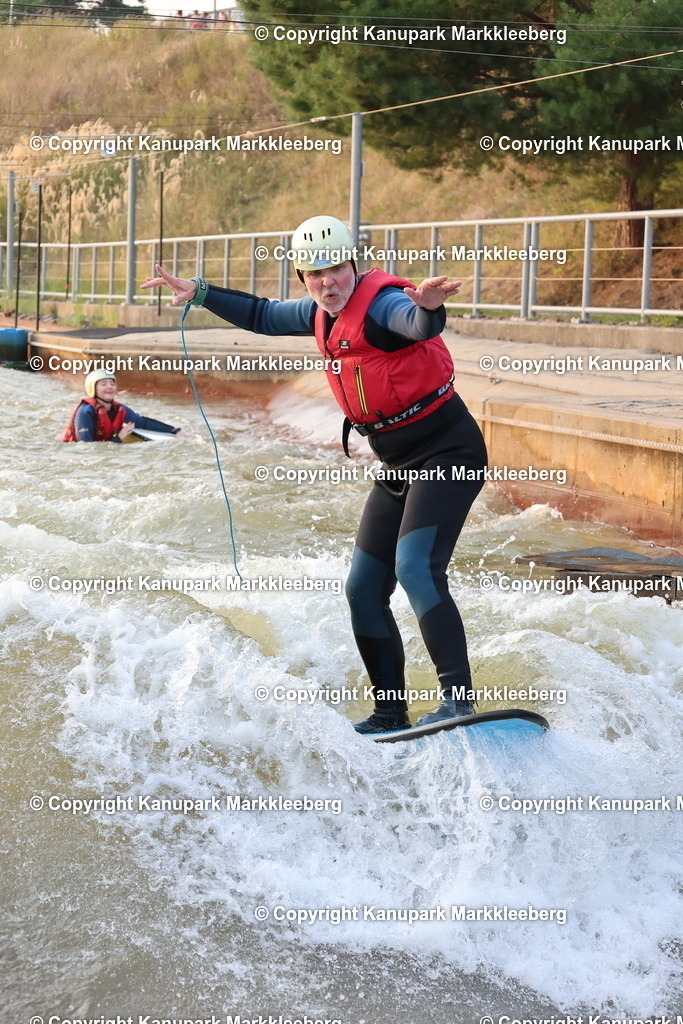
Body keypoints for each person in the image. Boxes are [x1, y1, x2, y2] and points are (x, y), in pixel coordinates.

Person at [141, 216, 488, 734]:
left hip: (448, 454)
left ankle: (459, 703)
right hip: (395, 465)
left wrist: (429, 307)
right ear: (303, 277)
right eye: (314, 274)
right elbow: (261, 313)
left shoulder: (384, 306)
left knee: (415, 568)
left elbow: (413, 324)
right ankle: (390, 712)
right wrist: (201, 292)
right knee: (363, 589)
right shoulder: (319, 313)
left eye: (336, 269)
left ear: (353, 264)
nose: (328, 282)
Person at [63, 368, 182, 443]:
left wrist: (174, 431)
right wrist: (118, 438)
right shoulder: (85, 412)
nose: (110, 387)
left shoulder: (120, 409)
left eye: (112, 383)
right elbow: (85, 448)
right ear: (92, 389)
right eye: (103, 384)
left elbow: (143, 422)